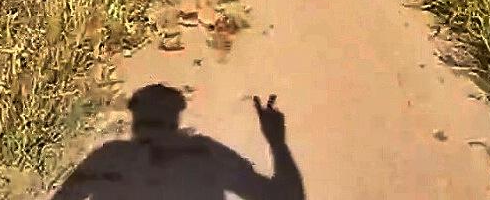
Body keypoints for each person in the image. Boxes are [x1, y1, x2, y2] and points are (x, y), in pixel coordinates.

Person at [51, 84, 304, 200]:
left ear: (136, 120)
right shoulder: (206, 155)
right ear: (175, 119)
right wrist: (277, 143)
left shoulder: (111, 158)